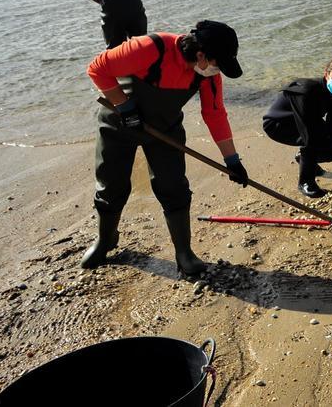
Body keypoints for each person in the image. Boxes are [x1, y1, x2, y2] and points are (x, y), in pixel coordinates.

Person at [82, 20, 249, 277]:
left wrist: (232, 161)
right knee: (111, 183)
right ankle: (105, 241)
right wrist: (125, 107)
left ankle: (184, 253)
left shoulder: (207, 75)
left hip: (164, 130)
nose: (217, 71)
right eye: (217, 64)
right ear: (201, 54)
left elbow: (215, 114)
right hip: (118, 123)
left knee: (173, 187)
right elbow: (97, 68)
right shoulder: (150, 47)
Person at [263, 58, 332, 198]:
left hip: (307, 123)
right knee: (313, 143)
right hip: (278, 124)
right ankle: (305, 182)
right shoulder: (307, 90)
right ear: (326, 75)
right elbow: (311, 135)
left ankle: (306, 160)